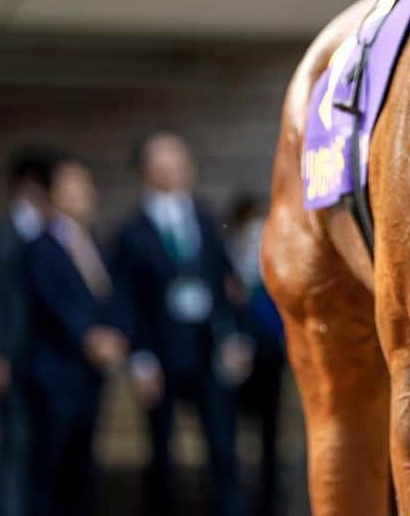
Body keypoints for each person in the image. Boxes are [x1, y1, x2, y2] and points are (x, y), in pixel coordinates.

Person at [112, 131, 250, 516]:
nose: (176, 166)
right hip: (162, 350)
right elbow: (127, 299)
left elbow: (227, 285)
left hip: (208, 348)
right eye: (166, 159)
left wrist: (236, 337)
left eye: (180, 158)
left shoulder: (206, 219)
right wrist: (140, 358)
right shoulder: (131, 232)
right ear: (147, 169)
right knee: (161, 449)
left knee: (223, 444)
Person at [26, 154, 127, 516]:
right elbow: (52, 302)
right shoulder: (40, 247)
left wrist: (117, 335)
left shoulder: (94, 243)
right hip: (56, 374)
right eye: (72, 185)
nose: (83, 193)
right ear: (52, 194)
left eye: (85, 185)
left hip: (90, 377)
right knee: (52, 469)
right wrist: (89, 338)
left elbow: (110, 296)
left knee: (83, 469)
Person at [0, 148, 56, 516]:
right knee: (15, 445)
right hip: (13, 356)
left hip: (47, 358)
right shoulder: (1, 235)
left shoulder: (57, 233)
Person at [228, 192, 285, 514]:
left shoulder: (268, 274)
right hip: (239, 352)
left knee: (268, 430)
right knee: (239, 429)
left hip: (267, 355)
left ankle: (267, 496)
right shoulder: (234, 267)